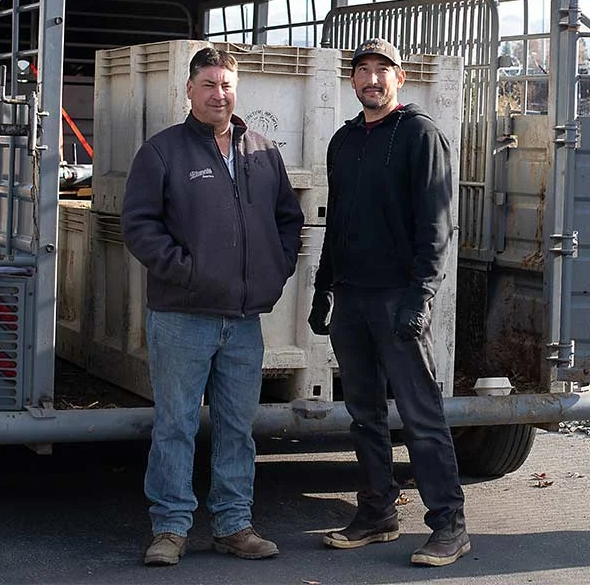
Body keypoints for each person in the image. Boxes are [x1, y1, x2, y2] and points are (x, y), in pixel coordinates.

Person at [122, 46, 304, 566]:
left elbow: (288, 220)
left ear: (236, 89)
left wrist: (275, 268)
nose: (218, 94)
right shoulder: (162, 153)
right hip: (181, 317)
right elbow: (138, 225)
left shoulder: (263, 152)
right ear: (189, 90)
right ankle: (171, 529)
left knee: (236, 427)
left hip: (244, 321)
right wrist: (187, 271)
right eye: (208, 85)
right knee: (176, 423)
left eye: (225, 84)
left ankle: (233, 524)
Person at [307, 38, 469, 567]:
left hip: (399, 298)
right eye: (363, 71)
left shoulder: (420, 135)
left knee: (420, 416)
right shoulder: (344, 140)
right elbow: (337, 225)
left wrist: (421, 298)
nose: (372, 80)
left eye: (383, 71)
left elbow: (436, 228)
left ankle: (450, 524)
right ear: (352, 82)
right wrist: (323, 288)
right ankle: (377, 511)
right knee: (364, 415)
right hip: (351, 298)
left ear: (400, 78)